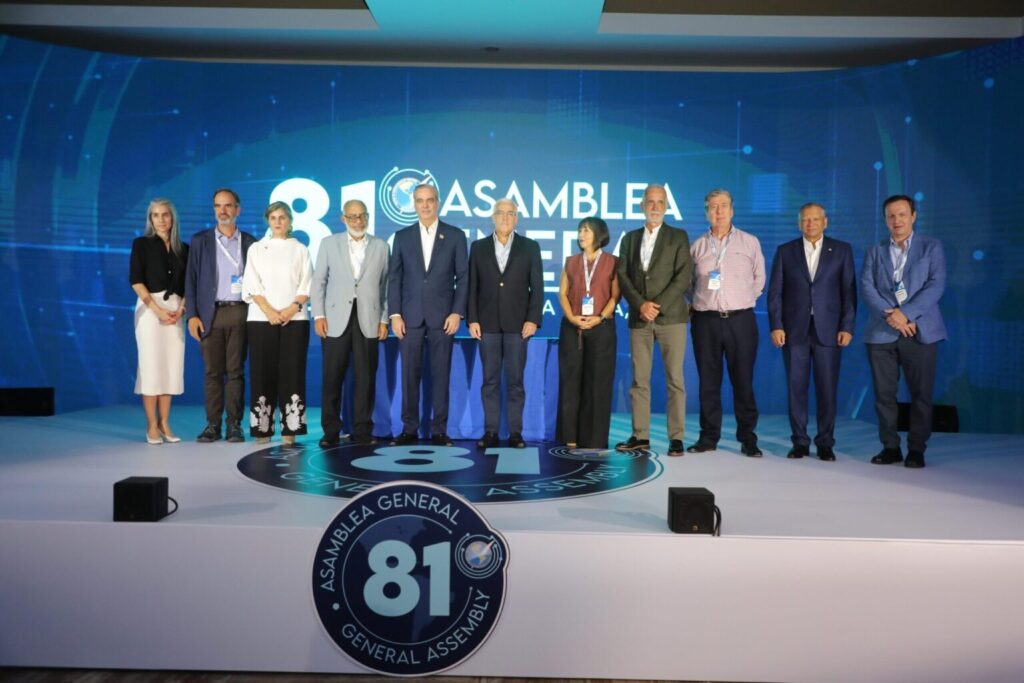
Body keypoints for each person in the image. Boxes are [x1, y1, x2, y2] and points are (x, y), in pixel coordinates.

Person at [862, 194, 946, 469]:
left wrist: (906, 314)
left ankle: (916, 449)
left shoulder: (931, 247)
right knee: (884, 394)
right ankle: (890, 447)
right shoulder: (875, 250)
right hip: (882, 333)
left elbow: (935, 286)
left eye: (901, 214)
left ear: (913, 216)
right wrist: (894, 317)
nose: (896, 220)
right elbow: (867, 287)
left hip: (920, 331)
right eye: (890, 216)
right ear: (885, 219)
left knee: (921, 394)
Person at [767, 203, 857, 462]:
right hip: (794, 331)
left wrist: (846, 327)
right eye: (805, 220)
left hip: (829, 331)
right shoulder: (786, 251)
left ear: (825, 222)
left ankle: (825, 442)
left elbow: (849, 293)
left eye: (815, 219)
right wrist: (776, 325)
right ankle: (800, 442)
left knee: (827, 389)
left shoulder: (841, 250)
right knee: (796, 389)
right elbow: (775, 293)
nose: (811, 224)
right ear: (799, 223)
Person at [615, 184, 693, 457]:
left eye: (660, 202)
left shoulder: (678, 236)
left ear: (667, 206)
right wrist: (641, 305)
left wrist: (656, 306)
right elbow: (622, 276)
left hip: (671, 318)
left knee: (675, 379)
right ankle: (640, 436)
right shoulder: (630, 239)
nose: (655, 207)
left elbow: (683, 276)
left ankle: (676, 438)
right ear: (642, 205)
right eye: (650, 202)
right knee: (639, 380)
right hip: (639, 319)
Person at [387, 183, 468, 445]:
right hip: (409, 318)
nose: (425, 205)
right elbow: (395, 279)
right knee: (409, 375)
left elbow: (463, 279)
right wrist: (395, 314)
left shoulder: (455, 236)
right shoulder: (401, 236)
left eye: (430, 200)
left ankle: (439, 430)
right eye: (420, 200)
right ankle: (409, 429)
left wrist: (457, 313)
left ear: (438, 202)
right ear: (414, 203)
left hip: (442, 318)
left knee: (441, 375)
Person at [688, 189, 766, 456]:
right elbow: (689, 284)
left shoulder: (749, 242)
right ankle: (708, 437)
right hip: (705, 321)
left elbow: (759, 279)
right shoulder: (697, 245)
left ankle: (748, 437)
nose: (718, 212)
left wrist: (740, 300)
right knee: (708, 382)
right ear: (706, 212)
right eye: (713, 207)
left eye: (723, 206)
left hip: (740, 321)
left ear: (732, 210)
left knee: (743, 381)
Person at [311, 200, 389, 448]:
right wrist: (319, 315)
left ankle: (362, 430)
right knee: (332, 377)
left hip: (368, 319)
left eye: (362, 216)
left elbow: (385, 286)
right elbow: (319, 282)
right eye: (353, 217)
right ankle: (331, 431)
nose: (358, 221)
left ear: (367, 217)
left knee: (366, 378)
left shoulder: (381, 246)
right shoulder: (328, 244)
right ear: (343, 218)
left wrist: (384, 318)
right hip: (334, 319)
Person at [467, 198, 544, 449]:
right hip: (486, 325)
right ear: (492, 217)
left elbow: (538, 288)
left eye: (510, 213)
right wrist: (472, 319)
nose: (505, 217)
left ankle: (515, 433)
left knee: (515, 382)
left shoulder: (530, 247)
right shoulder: (478, 247)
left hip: (518, 325)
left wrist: (533, 319)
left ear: (517, 218)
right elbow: (472, 288)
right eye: (500, 213)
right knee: (489, 382)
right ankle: (490, 432)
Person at [184, 188, 256, 443]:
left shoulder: (250, 242)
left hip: (239, 313)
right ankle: (212, 426)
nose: (222, 211)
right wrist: (191, 315)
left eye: (228, 206)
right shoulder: (200, 240)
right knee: (212, 373)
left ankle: (234, 425)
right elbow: (190, 280)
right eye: (218, 206)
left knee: (235, 372)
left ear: (238, 209)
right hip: (209, 314)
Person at [242, 201, 312, 445]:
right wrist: (270, 311)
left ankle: (290, 430)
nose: (279, 221)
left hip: (295, 320)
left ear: (290, 220)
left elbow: (307, 284)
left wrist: (291, 309)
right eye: (273, 217)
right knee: (262, 373)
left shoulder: (300, 249)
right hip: (262, 319)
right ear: (268, 221)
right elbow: (252, 284)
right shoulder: (257, 249)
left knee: (292, 373)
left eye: (283, 217)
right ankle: (263, 430)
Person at [556, 217, 620, 450]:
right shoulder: (571, 261)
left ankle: (594, 439)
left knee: (598, 385)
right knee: (571, 383)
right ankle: (569, 436)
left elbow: (615, 296)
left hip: (601, 329)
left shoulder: (613, 262)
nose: (581, 234)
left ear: (599, 234)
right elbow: (562, 293)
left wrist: (600, 317)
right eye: (580, 230)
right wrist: (572, 317)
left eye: (586, 230)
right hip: (573, 328)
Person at [129, 198, 189, 444]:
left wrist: (182, 308)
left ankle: (165, 422)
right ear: (150, 219)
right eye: (156, 215)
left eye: (165, 214)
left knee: (171, 367)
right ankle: (151, 425)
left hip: (176, 309)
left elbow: (189, 284)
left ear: (172, 217)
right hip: (150, 309)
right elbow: (136, 280)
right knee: (151, 366)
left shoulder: (184, 248)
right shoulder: (141, 244)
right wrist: (156, 310)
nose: (161, 219)